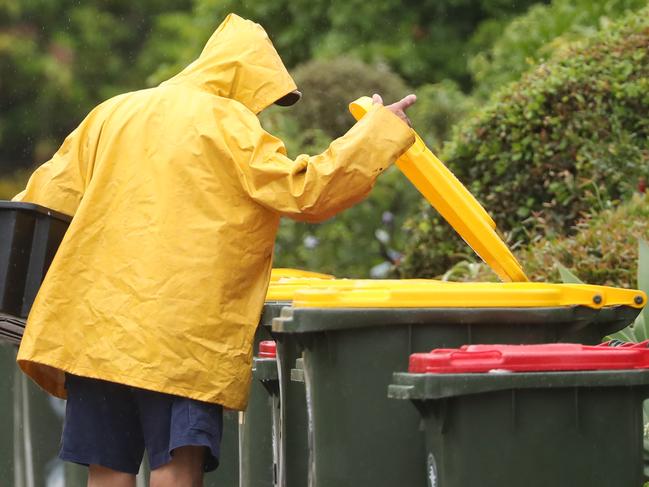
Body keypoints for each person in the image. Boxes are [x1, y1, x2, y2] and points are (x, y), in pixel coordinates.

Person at [13, 13, 416, 487]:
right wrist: (377, 133)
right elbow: (305, 192)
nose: (261, 108)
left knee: (108, 472)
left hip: (97, 329)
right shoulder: (228, 124)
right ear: (246, 76)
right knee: (175, 467)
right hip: (181, 334)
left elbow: (42, 202)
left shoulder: (112, 112)